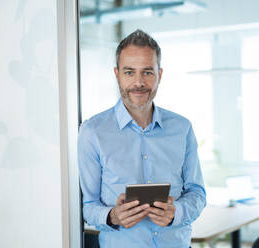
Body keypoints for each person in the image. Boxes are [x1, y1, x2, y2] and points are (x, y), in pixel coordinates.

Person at [78, 29, 206, 248]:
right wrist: (112, 216)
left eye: (147, 72)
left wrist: (176, 212)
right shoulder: (92, 132)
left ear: (160, 74)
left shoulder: (182, 128)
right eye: (129, 72)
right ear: (117, 74)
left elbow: (197, 193)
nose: (139, 82)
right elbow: (88, 205)